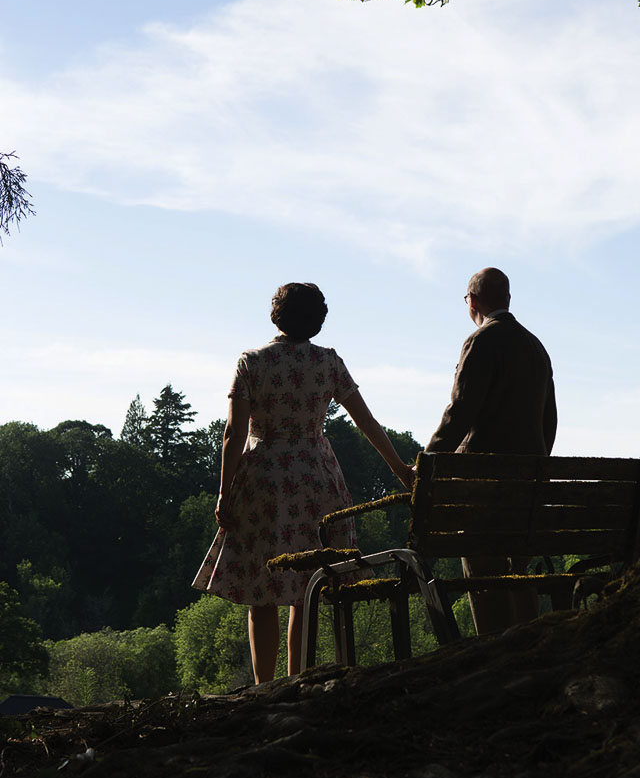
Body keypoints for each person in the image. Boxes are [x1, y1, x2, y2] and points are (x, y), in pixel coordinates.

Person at [192, 282, 414, 684]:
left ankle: (265, 687)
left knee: (263, 589)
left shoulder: (252, 362)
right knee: (305, 587)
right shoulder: (328, 363)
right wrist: (400, 469)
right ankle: (300, 680)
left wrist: (225, 491)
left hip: (263, 480)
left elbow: (233, 432)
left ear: (276, 314)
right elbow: (367, 422)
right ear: (318, 320)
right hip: (316, 478)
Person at [426, 267, 557, 635]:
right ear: (508, 299)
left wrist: (429, 462)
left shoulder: (480, 341)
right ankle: (529, 645)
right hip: (527, 484)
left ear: (473, 301)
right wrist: (535, 464)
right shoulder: (535, 347)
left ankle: (491, 650)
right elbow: (549, 420)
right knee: (518, 570)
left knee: (484, 572)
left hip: (483, 487)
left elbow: (459, 412)